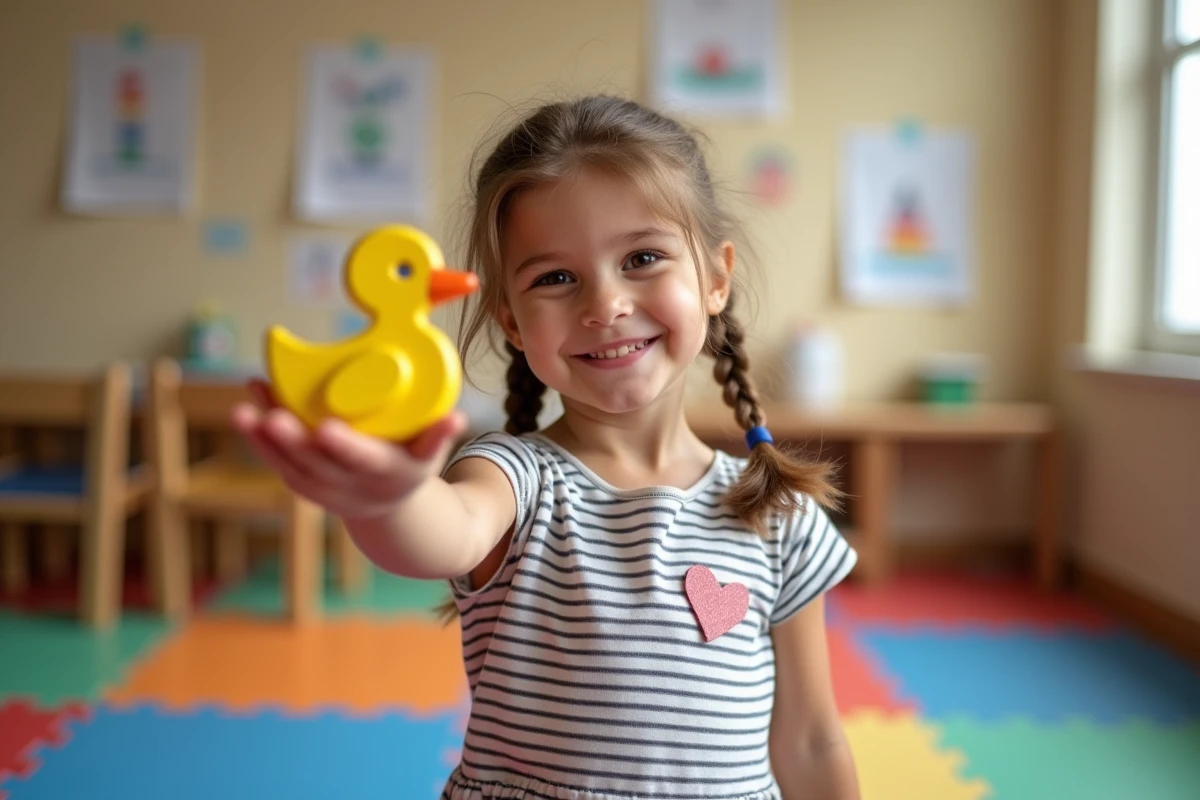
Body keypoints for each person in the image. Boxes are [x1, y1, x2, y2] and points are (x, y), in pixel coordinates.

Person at [233, 94, 860, 800]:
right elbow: (441, 532)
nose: (604, 305)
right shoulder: (516, 476)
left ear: (715, 279)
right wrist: (390, 495)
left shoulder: (776, 514)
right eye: (555, 278)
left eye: (643, 257)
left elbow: (810, 738)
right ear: (511, 317)